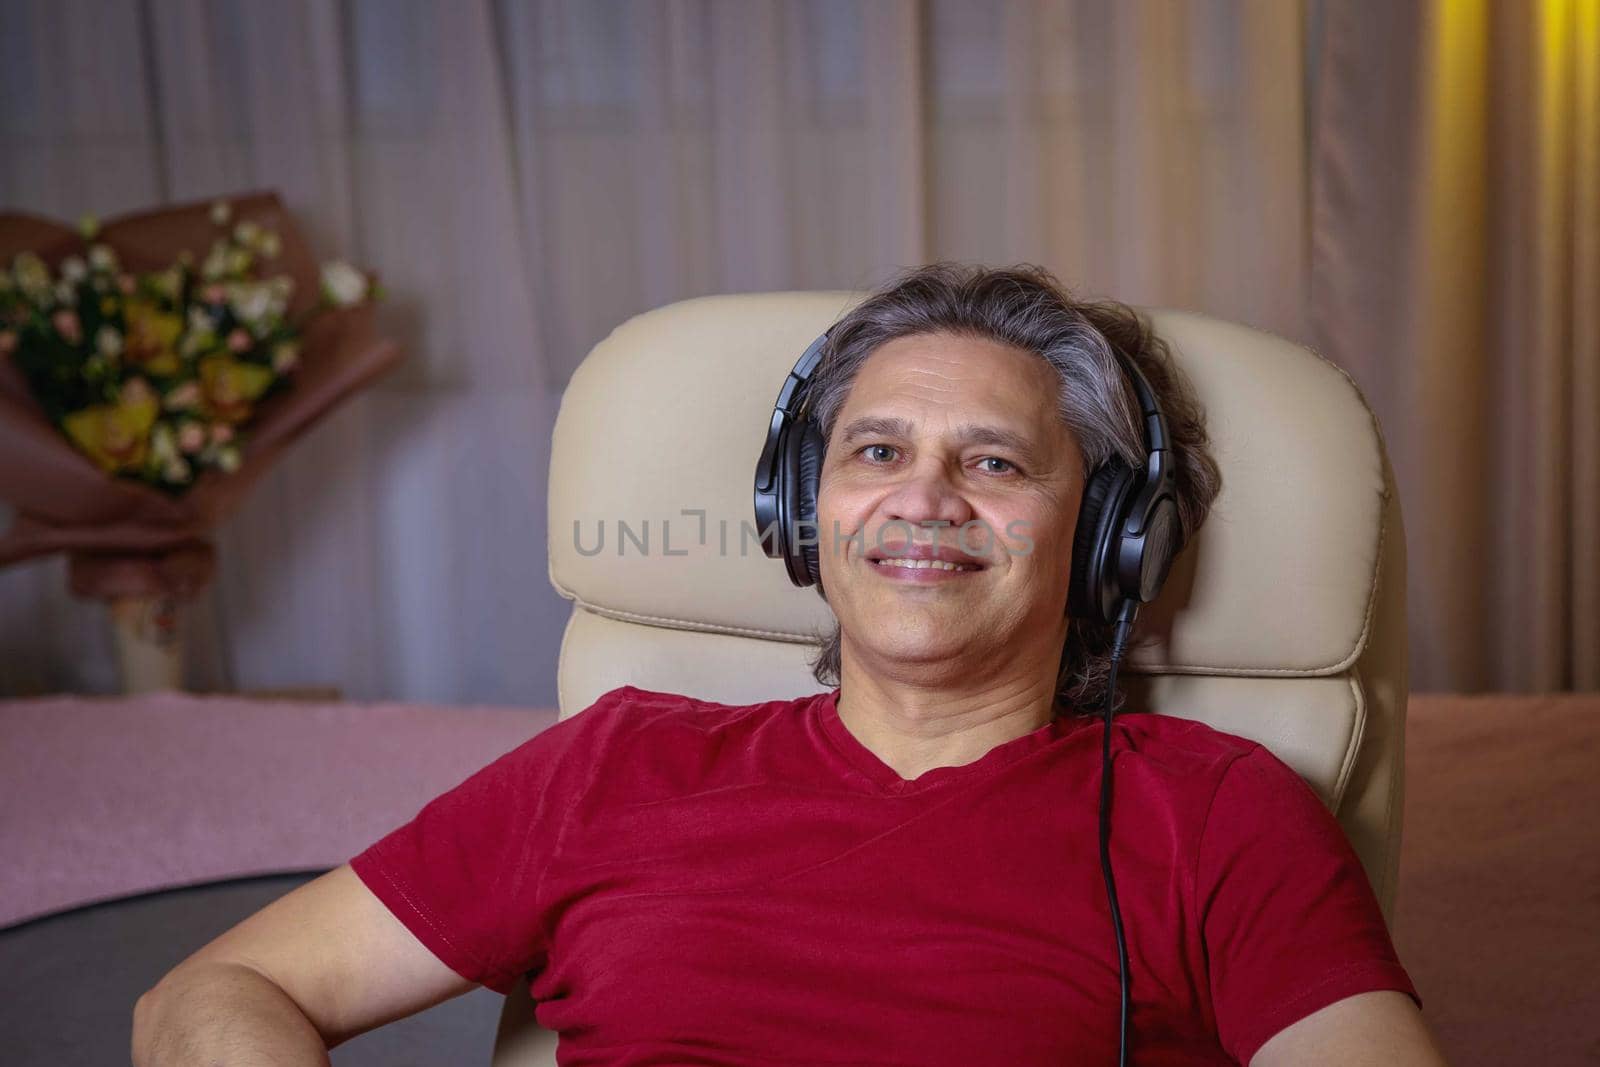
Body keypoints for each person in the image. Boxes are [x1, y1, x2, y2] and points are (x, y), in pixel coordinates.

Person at [132, 264, 1450, 1066]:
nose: (922, 499)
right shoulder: (620, 763)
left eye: (992, 462)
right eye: (875, 453)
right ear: (799, 513)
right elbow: (218, 991)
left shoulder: (1216, 812)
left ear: (1110, 539)